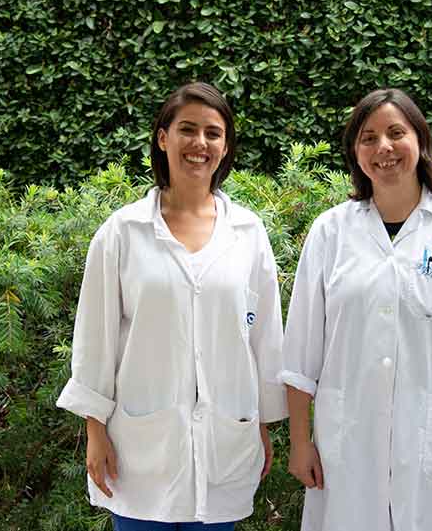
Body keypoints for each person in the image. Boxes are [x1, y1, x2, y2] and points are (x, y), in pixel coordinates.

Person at [280, 88, 432, 531]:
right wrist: (299, 441)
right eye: (368, 138)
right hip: (347, 446)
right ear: (355, 151)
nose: (383, 148)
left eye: (395, 133)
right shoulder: (330, 233)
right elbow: (301, 355)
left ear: (420, 141)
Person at [56, 82, 287, 531]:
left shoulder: (248, 232)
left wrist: (257, 419)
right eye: (188, 129)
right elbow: (95, 337)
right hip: (141, 453)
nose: (200, 143)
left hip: (226, 441)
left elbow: (263, 335)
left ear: (225, 147)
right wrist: (94, 430)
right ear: (163, 138)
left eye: (213, 133)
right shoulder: (122, 232)